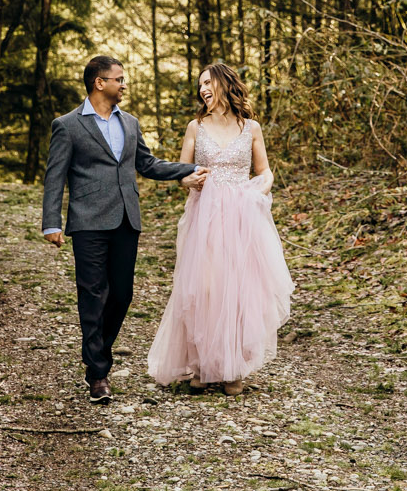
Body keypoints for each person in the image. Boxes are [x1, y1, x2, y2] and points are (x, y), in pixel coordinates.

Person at [42, 55, 208, 403]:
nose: (124, 84)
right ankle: (98, 373)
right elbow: (55, 176)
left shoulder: (130, 123)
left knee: (121, 295)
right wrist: (52, 223)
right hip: (87, 221)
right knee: (92, 295)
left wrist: (187, 170)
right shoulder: (68, 125)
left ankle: (96, 353)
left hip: (126, 220)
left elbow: (147, 164)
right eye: (118, 78)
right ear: (99, 82)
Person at [147, 62, 293, 396]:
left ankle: (232, 367)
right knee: (207, 287)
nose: (202, 89)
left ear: (225, 85)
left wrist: (260, 190)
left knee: (239, 288)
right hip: (206, 216)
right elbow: (181, 173)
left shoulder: (251, 127)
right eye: (199, 85)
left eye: (207, 83)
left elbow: (265, 170)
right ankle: (202, 364)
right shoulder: (195, 127)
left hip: (243, 215)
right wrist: (189, 179)